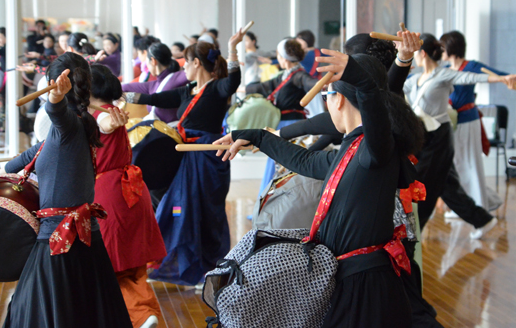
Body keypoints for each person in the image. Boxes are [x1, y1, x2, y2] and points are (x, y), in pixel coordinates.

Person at [215, 51, 425, 328]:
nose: (325, 104)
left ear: (339, 100)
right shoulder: (351, 149)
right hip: (350, 278)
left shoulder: (374, 151)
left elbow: (375, 110)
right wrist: (254, 135)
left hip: (367, 286)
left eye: (326, 96)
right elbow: (303, 160)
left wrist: (359, 78)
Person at [0, 52, 133, 327]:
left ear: (51, 81)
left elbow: (57, 113)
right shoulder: (78, 125)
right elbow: (32, 154)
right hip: (77, 241)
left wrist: (55, 99)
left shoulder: (70, 124)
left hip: (61, 242)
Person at [125, 30, 243, 285]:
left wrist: (232, 47)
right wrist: (117, 95)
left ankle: (209, 267)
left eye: (186, 62)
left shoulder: (218, 88)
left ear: (197, 63)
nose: (183, 67)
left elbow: (233, 81)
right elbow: (154, 97)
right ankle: (181, 266)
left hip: (209, 158)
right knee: (178, 208)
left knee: (207, 213)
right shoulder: (188, 89)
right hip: (187, 157)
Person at [403, 34, 515, 231]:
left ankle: (415, 230)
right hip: (426, 137)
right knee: (446, 184)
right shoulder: (415, 79)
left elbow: (472, 77)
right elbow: (393, 84)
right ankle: (482, 219)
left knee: (433, 180)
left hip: (445, 134)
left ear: (422, 53)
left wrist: (502, 79)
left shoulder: (445, 73)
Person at [90, 64, 166, 328]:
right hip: (133, 191)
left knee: (114, 265)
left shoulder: (101, 116)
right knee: (133, 265)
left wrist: (111, 119)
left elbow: (106, 124)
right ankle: (146, 315)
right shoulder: (110, 110)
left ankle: (141, 316)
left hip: (111, 194)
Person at [440, 30, 506, 212]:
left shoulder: (471, 66)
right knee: (458, 165)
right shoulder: (444, 71)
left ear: (451, 47)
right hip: (452, 122)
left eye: (443, 47)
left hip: (469, 121)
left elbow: (496, 75)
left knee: (471, 164)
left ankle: (480, 209)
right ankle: (476, 204)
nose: (440, 51)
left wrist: (507, 78)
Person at [244, 38, 318, 195]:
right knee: (276, 165)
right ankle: (268, 205)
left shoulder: (298, 75)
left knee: (286, 167)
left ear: (283, 57)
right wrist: (244, 89)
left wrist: (322, 84)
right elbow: (265, 86)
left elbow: (309, 82)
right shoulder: (285, 75)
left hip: (293, 127)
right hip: (283, 126)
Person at [122, 43, 188, 123]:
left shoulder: (178, 77)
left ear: (153, 61)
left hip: (174, 132)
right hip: (159, 131)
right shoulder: (153, 85)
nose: (147, 67)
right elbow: (125, 87)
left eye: (147, 63)